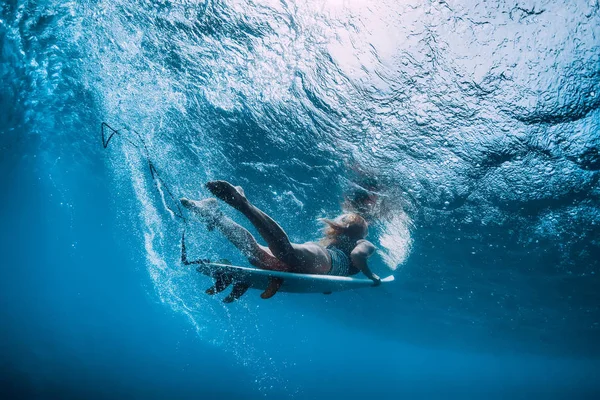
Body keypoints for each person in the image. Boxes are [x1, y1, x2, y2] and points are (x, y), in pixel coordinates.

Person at [181, 180, 381, 301]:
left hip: (321, 263)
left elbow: (325, 283)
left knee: (255, 254)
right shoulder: (364, 243)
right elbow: (357, 256)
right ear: (362, 232)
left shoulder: (338, 241)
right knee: (284, 251)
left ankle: (214, 215)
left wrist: (328, 287)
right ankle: (242, 203)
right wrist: (371, 276)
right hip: (326, 261)